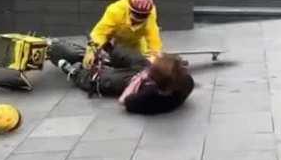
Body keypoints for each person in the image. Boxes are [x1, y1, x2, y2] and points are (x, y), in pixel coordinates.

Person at [48, 39, 194, 115]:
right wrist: (146, 72)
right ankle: (110, 47)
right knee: (137, 58)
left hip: (133, 82)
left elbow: (126, 101)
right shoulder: (186, 82)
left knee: (106, 80)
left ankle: (77, 73)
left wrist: (139, 80)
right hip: (144, 72)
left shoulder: (149, 97)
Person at [82, 0, 162, 69]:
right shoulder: (115, 11)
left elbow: (153, 37)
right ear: (130, 10)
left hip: (138, 42)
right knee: (118, 61)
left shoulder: (151, 14)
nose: (138, 20)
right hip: (118, 39)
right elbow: (100, 33)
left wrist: (155, 57)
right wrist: (92, 50)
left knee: (141, 64)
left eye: (143, 16)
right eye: (136, 15)